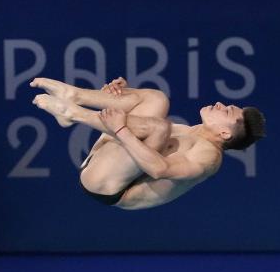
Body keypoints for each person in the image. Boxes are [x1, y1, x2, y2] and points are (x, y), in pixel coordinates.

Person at [30, 77, 265, 210]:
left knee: (159, 127)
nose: (220, 104)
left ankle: (74, 113)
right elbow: (138, 127)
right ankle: (75, 97)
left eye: (228, 111)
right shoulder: (191, 131)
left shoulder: (209, 157)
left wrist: (120, 128)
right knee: (156, 99)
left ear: (225, 133)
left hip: (110, 186)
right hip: (105, 162)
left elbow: (159, 169)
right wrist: (121, 95)